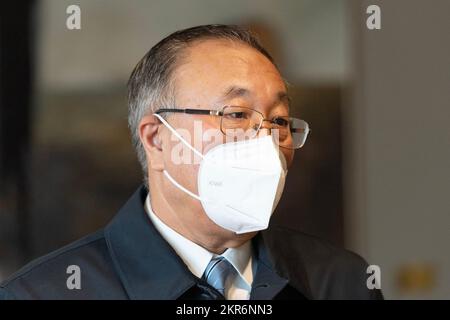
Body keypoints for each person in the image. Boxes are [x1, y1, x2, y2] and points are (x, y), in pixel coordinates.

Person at [0, 24, 382, 300]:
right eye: (236, 115)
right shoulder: (44, 293)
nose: (266, 140)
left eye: (279, 121)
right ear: (156, 138)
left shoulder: (341, 282)